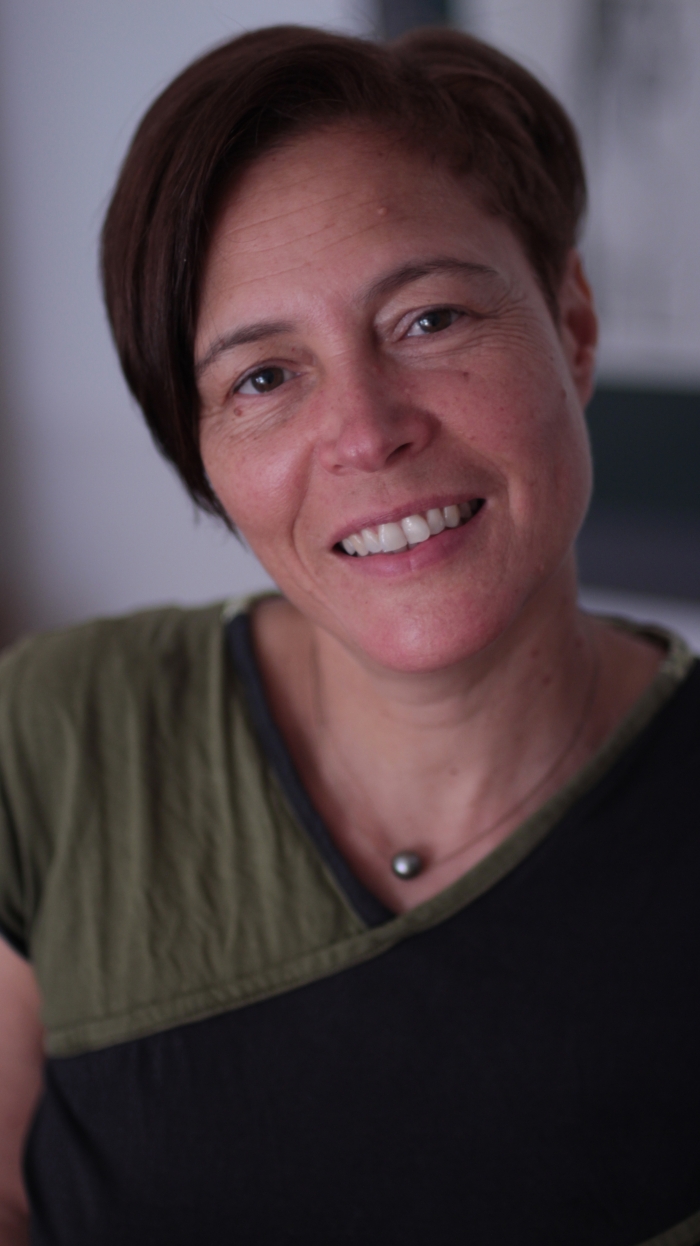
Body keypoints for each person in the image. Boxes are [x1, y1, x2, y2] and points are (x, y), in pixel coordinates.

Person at [1, 22, 699, 1246]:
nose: (367, 433)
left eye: (428, 319)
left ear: (573, 326)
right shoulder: (57, 731)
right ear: (204, 459)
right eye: (263, 377)